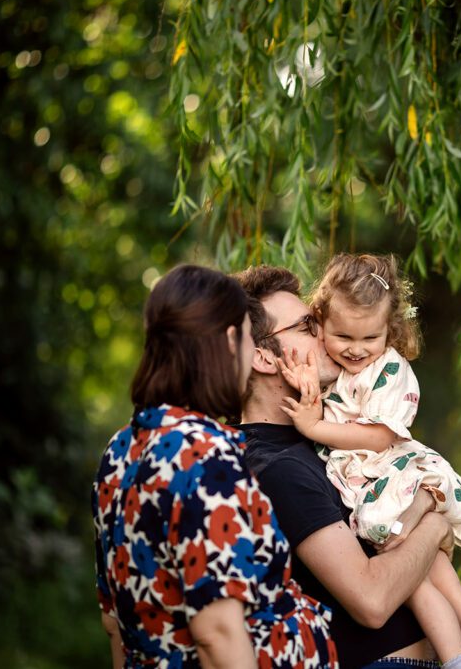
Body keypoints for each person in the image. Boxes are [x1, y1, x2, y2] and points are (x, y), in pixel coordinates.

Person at [278, 254, 461, 669]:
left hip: (394, 482)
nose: (356, 350)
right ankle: (460, 662)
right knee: (420, 586)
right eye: (343, 337)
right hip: (372, 490)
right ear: (319, 325)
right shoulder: (335, 370)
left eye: (369, 339)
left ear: (389, 331)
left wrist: (314, 427)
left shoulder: (389, 371)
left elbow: (380, 437)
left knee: (444, 584)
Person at [91, 264, 337, 668]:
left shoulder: (120, 450)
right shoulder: (207, 454)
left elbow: (114, 622)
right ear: (229, 340)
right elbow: (218, 634)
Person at [235, 265, 456, 669]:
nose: (325, 333)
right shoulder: (276, 466)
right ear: (264, 356)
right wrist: (436, 520)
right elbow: (372, 600)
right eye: (306, 326)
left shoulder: (325, 440)